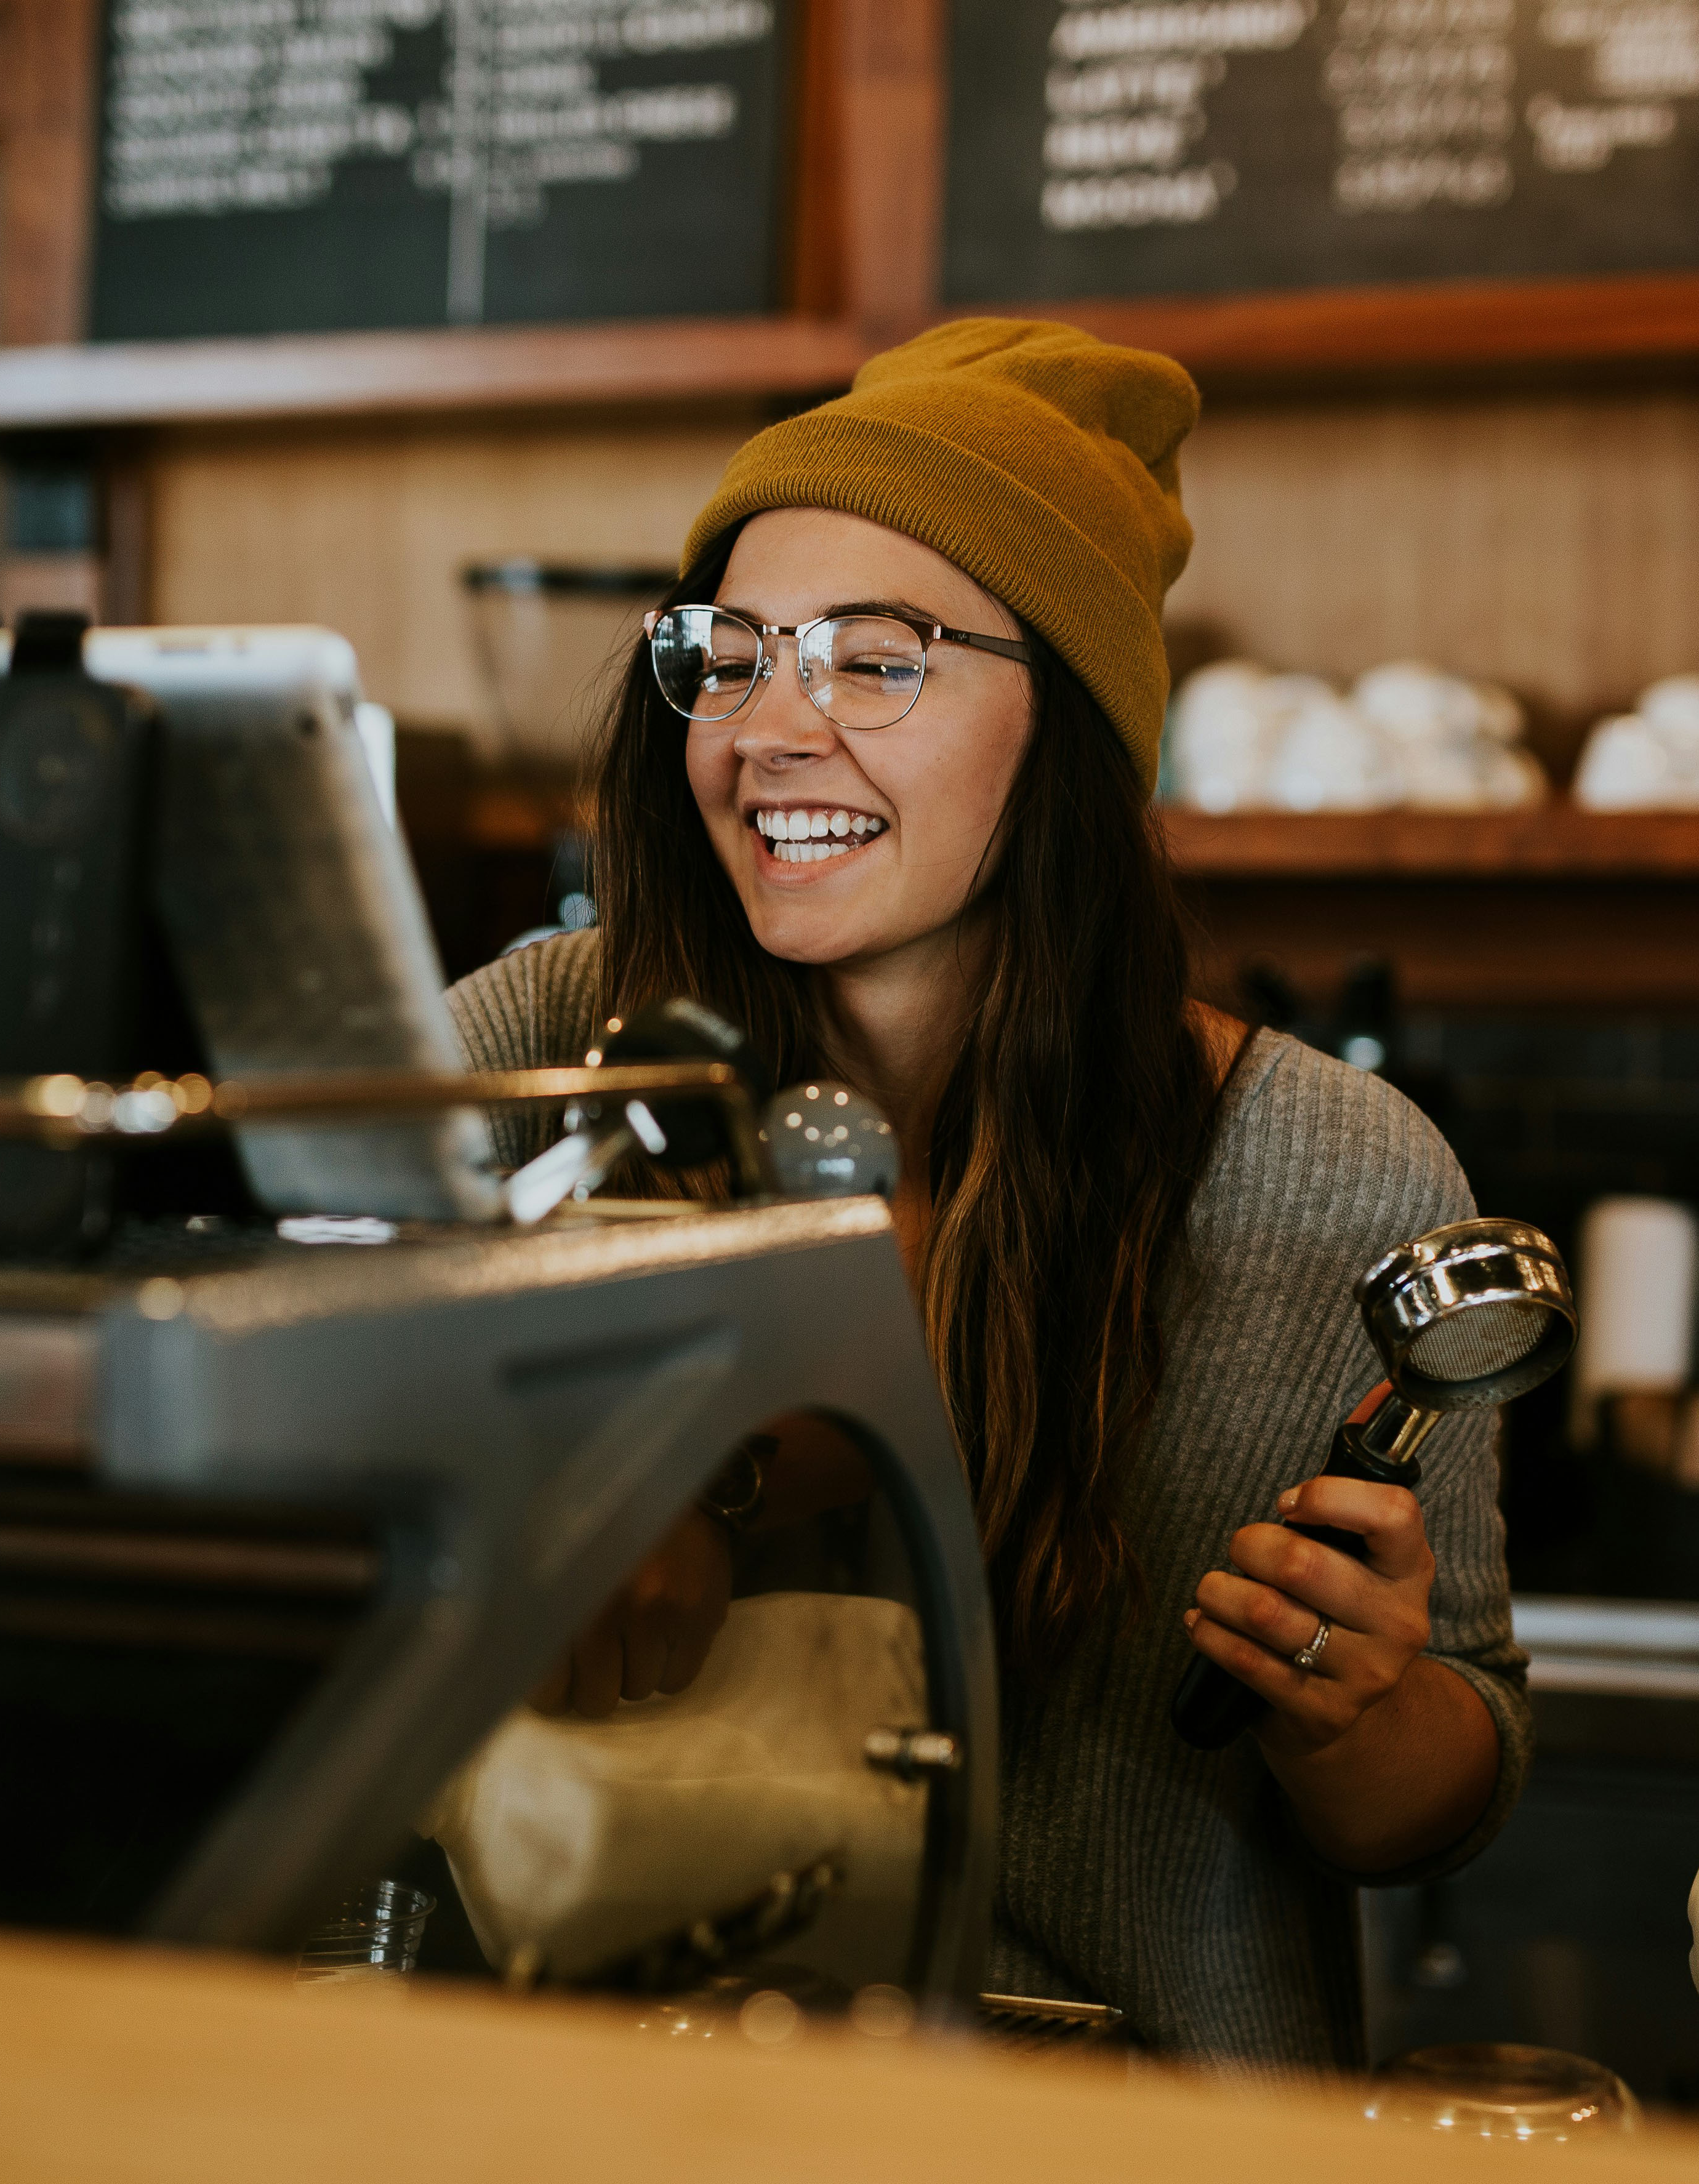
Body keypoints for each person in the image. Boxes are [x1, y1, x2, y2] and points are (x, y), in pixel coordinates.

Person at [445, 319, 1529, 2069]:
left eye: (879, 663)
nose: (771, 729)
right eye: (730, 656)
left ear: (1069, 731)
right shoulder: (532, 1056)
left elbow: (1442, 1797)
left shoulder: (1330, 1166)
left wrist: (1358, 1711)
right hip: (579, 2096)